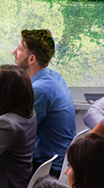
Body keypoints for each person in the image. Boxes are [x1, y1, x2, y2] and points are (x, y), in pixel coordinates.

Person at [12, 29, 76, 176]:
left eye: (20, 49)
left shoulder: (39, 90)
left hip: (50, 168)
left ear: (32, 59)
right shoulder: (52, 76)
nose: (15, 51)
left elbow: (17, 132)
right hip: (58, 159)